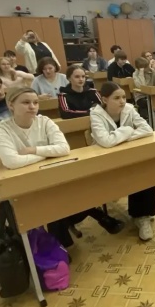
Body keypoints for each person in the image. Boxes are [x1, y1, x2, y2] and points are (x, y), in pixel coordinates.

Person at [0, 85, 100, 247]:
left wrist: (32, 150)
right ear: (10, 105)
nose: (32, 106)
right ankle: (56, 243)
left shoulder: (45, 121)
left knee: (82, 193)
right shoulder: (1, 129)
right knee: (49, 202)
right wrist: (47, 153)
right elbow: (12, 162)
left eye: (35, 102)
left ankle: (62, 239)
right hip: (24, 184)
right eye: (26, 102)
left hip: (51, 177)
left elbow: (64, 148)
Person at [57, 68, 124, 235]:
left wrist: (95, 113)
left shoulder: (93, 91)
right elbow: (66, 114)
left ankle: (96, 207)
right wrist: (93, 112)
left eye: (83, 76)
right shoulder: (64, 95)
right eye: (77, 77)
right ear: (69, 78)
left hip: (98, 136)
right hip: (75, 140)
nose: (81, 79)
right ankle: (84, 212)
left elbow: (104, 107)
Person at [90, 82, 155, 241]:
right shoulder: (96, 114)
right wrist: (128, 131)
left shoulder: (128, 109)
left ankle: (142, 217)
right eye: (116, 98)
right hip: (106, 162)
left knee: (145, 171)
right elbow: (105, 141)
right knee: (133, 174)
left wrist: (119, 138)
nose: (122, 101)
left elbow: (147, 130)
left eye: (123, 97)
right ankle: (139, 215)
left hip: (129, 156)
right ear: (105, 99)